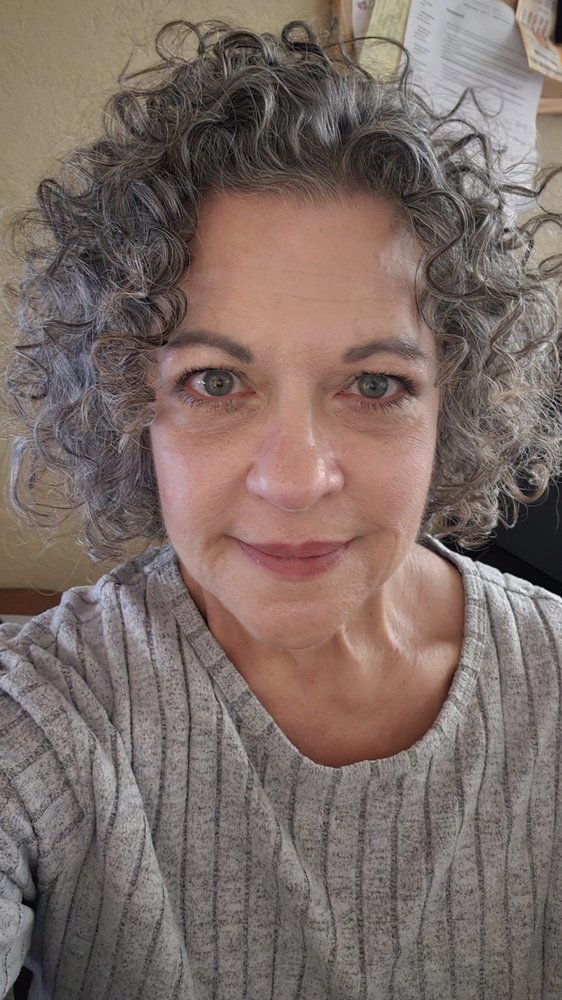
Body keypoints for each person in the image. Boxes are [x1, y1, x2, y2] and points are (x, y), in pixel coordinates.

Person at [1, 17, 562, 1000]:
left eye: (375, 385)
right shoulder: (46, 713)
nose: (296, 480)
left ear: (455, 405)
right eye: (216, 382)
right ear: (131, 405)